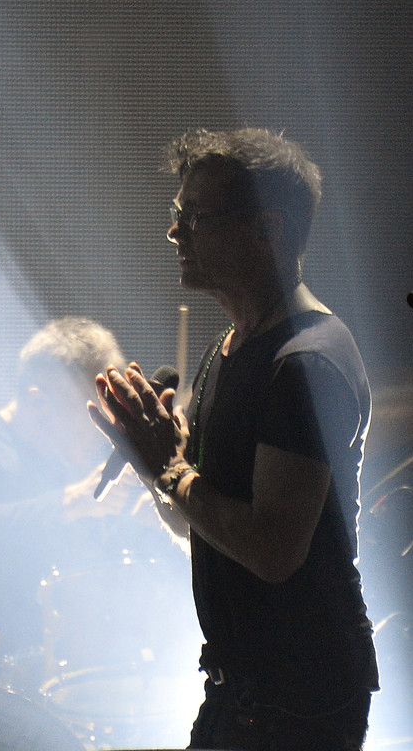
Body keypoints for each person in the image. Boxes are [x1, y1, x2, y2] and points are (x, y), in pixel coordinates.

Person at [88, 128, 379, 751]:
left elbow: (273, 551)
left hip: (301, 698)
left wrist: (172, 470)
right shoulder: (229, 348)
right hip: (241, 690)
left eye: (197, 217)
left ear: (268, 229)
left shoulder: (305, 363)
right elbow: (204, 527)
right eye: (177, 213)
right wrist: (156, 467)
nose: (176, 232)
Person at [0, 317, 141, 684]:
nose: (97, 436)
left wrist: (148, 516)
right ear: (39, 400)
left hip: (54, 674)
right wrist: (74, 501)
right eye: (89, 417)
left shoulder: (63, 464)